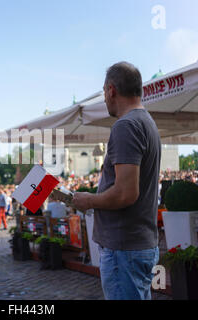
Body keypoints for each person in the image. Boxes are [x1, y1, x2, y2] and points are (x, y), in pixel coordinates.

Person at [72, 62, 161, 300]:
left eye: (103, 92)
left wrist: (89, 200)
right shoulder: (146, 122)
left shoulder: (126, 125)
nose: (104, 98)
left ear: (111, 90)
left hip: (124, 247)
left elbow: (125, 193)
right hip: (137, 244)